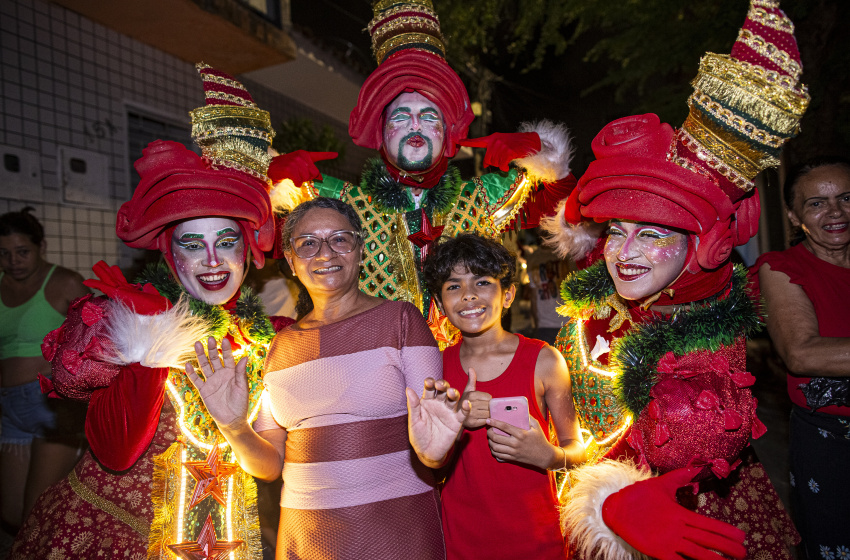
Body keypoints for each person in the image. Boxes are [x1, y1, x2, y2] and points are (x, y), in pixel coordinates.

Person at [552, 2, 809, 559]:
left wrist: (614, 499)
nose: (623, 253)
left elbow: (700, 432)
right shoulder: (617, 291)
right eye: (618, 231)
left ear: (703, 246)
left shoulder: (705, 328)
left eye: (651, 233)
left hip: (700, 522)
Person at [11, 64, 289, 559]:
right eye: (192, 243)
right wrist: (150, 346)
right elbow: (115, 452)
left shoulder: (264, 338)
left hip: (218, 545)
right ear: (170, 254)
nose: (211, 260)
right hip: (116, 537)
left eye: (226, 241)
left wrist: (234, 426)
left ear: (247, 252)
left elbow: (268, 466)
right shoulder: (132, 325)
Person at [268, 0, 576, 344]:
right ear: (381, 133)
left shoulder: (479, 196)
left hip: (467, 373)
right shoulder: (340, 204)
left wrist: (542, 155)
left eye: (429, 117)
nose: (415, 124)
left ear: (447, 134)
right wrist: (269, 180)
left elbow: (567, 207)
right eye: (400, 117)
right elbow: (255, 232)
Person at [184, 196, 469, 560]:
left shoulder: (401, 321)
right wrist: (234, 427)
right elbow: (270, 468)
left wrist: (436, 453)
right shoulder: (280, 347)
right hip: (306, 537)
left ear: (359, 249)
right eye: (308, 243)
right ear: (290, 261)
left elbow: (432, 446)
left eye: (339, 239)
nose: (325, 253)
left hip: (396, 529)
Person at [421, 233, 584, 560]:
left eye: (481, 282)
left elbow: (577, 450)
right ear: (439, 305)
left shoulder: (544, 361)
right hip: (461, 543)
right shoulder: (433, 368)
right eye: (453, 286)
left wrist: (550, 456)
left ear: (508, 294)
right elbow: (428, 466)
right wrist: (455, 427)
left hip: (539, 541)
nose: (468, 296)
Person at [754, 157, 850, 559]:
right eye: (817, 203)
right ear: (794, 216)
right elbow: (802, 353)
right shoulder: (782, 269)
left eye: (847, 198)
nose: (836, 212)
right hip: (832, 447)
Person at [0, 208, 89, 548]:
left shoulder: (65, 282)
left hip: (53, 409)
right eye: (4, 253)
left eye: (22, 251)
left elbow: (98, 333)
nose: (14, 261)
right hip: (11, 411)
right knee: (10, 514)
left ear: (42, 247)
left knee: (37, 516)